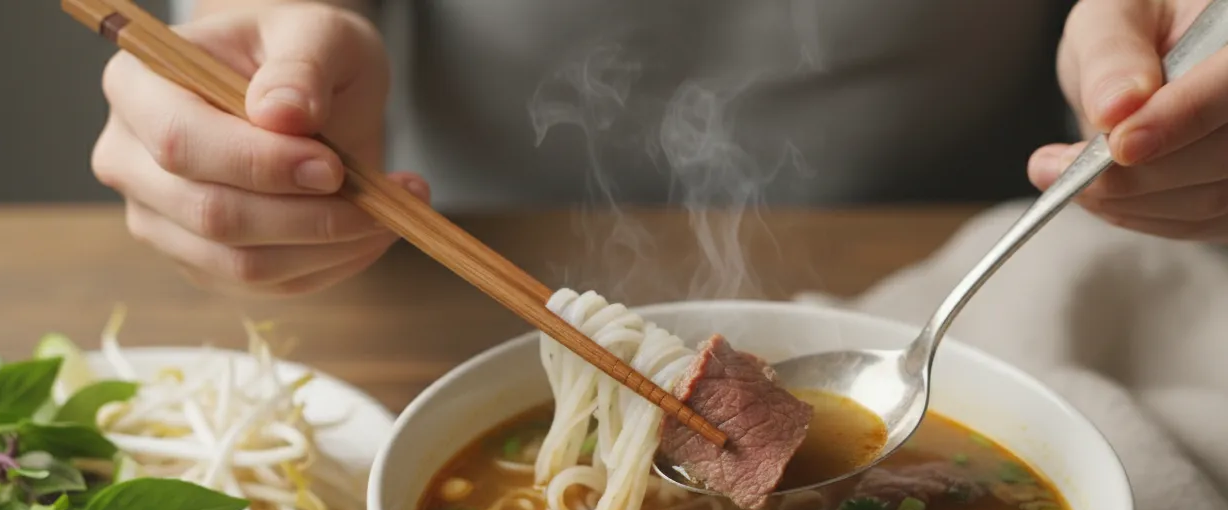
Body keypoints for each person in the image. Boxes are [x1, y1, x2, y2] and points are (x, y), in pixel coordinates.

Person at [90, 0, 1228, 296]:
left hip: (990, 247)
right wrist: (275, 68)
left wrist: (1185, 45)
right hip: (444, 262)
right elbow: (267, 24)